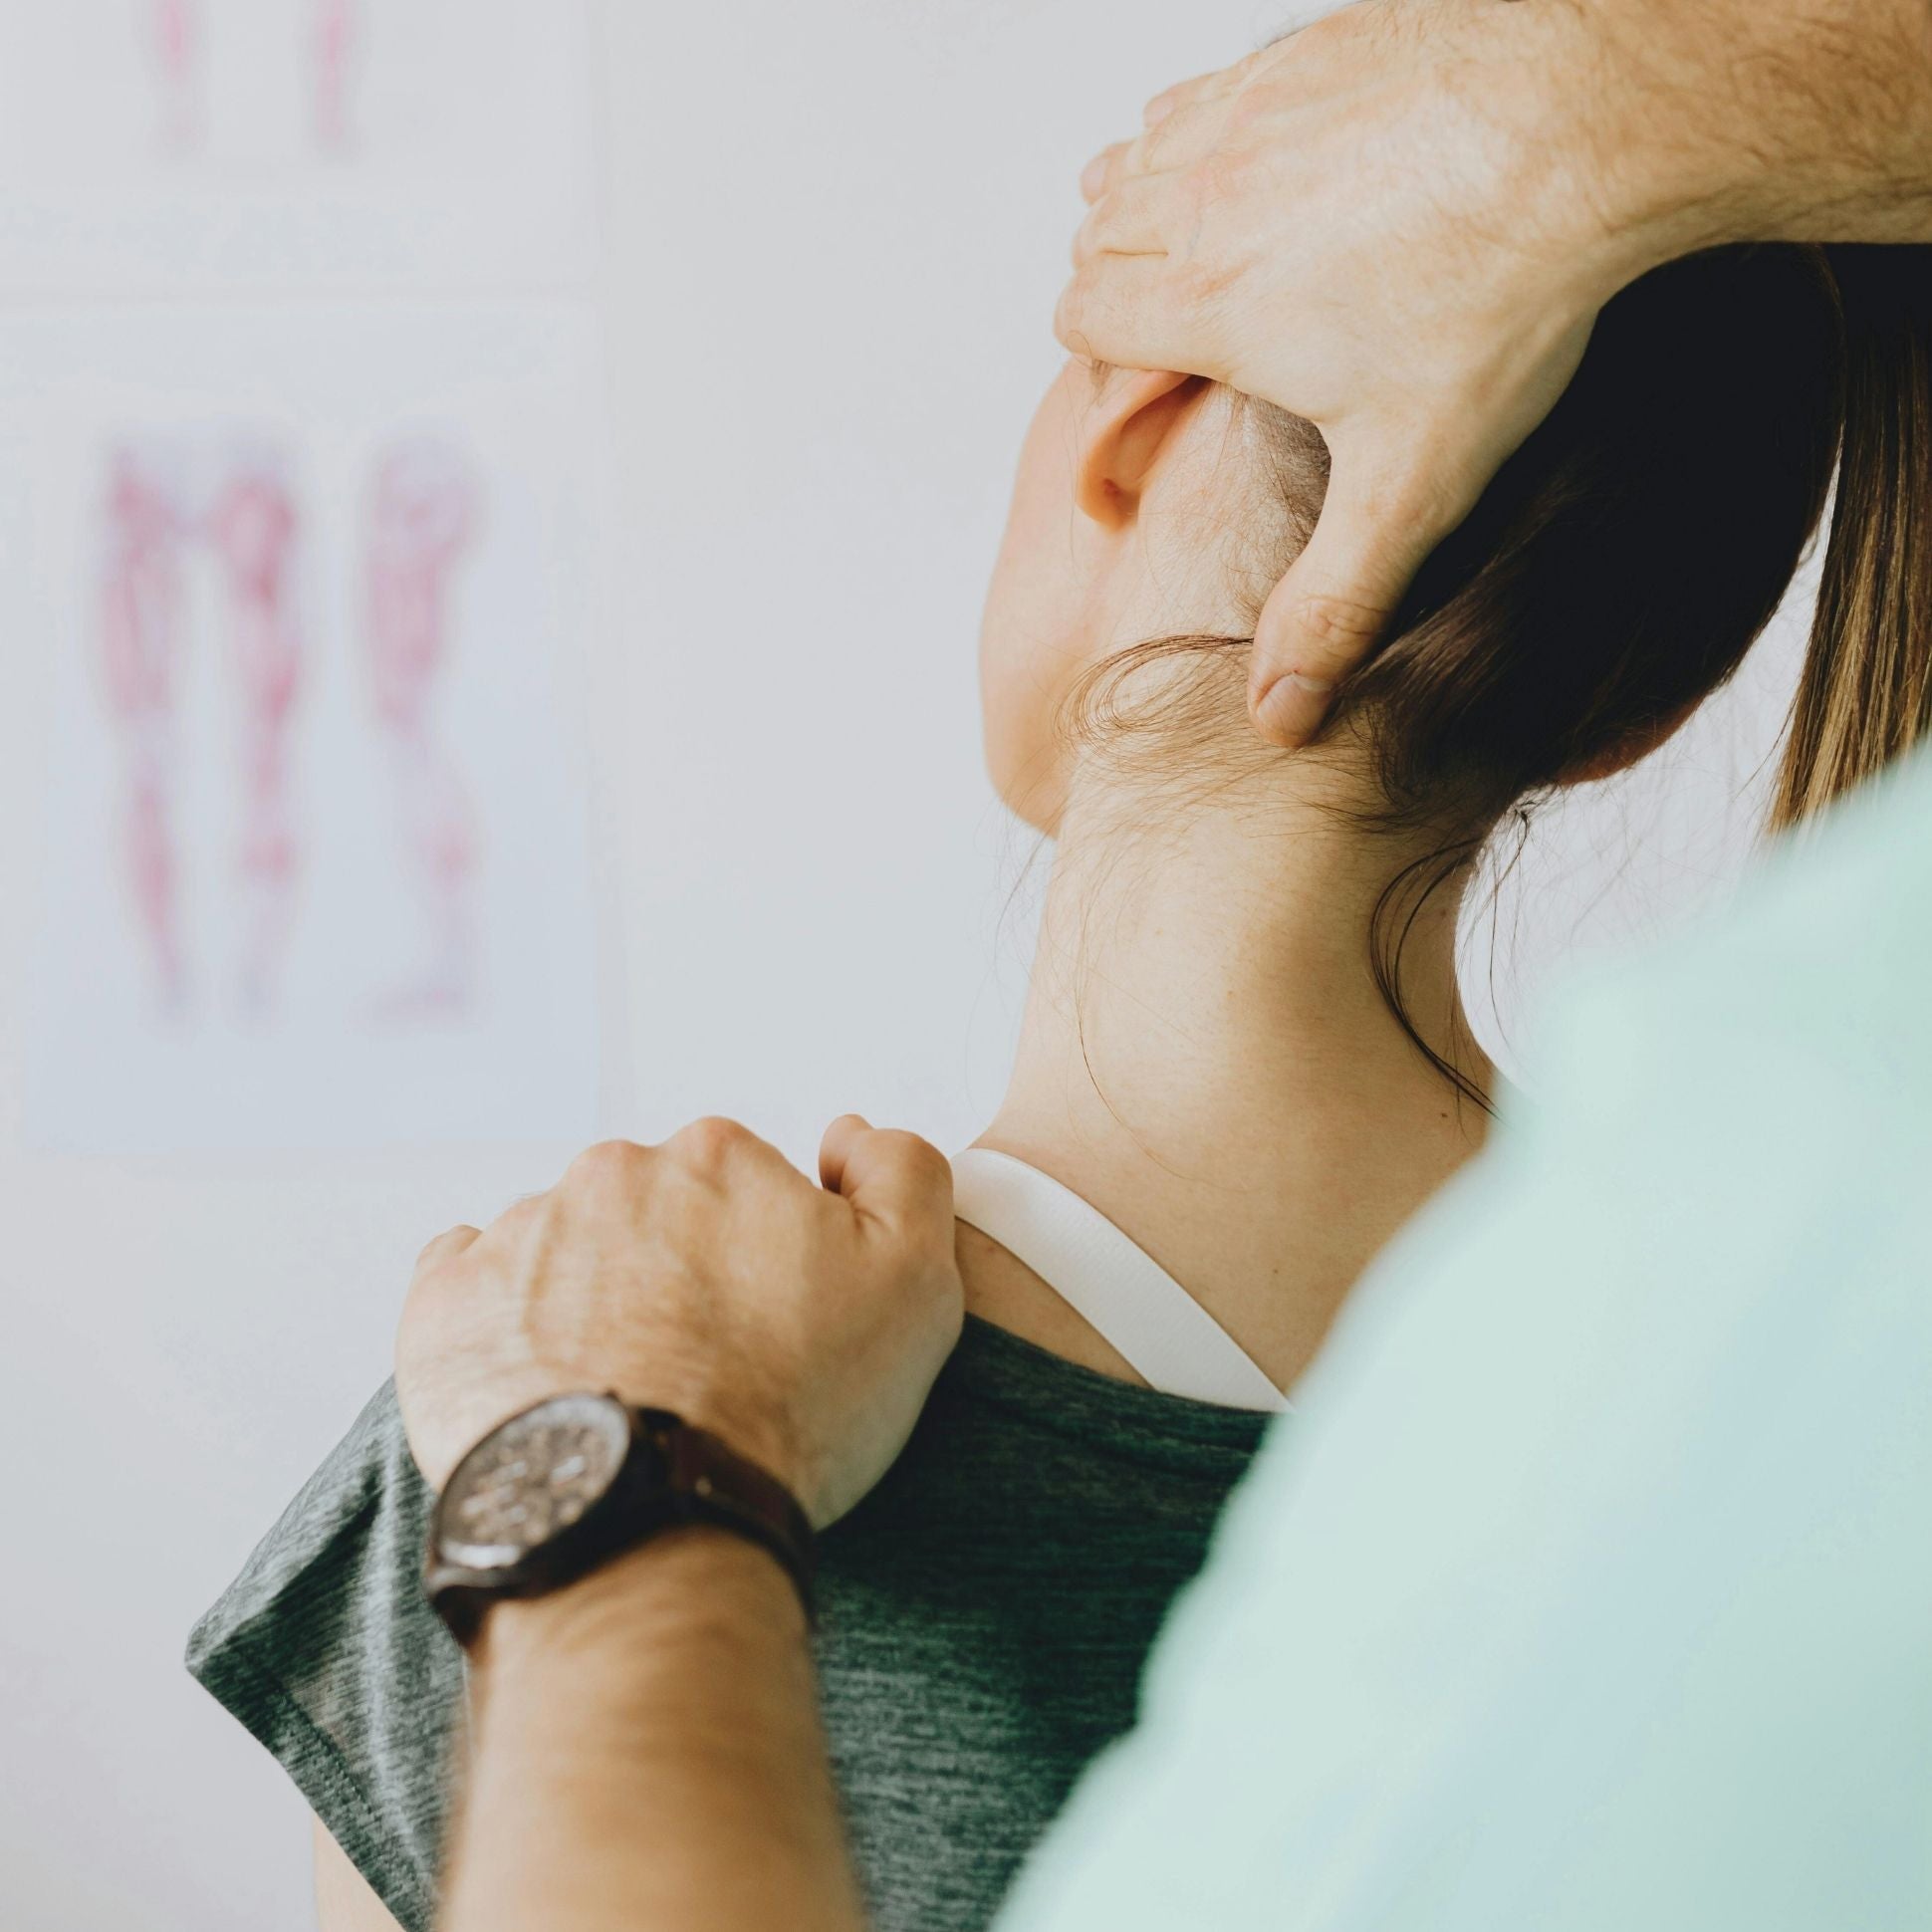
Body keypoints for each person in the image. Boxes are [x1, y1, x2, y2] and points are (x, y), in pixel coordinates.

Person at [189, 2, 1932, 1930]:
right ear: (1635, 700)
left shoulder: (551, 1430)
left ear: (1127, 439)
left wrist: (575, 1477)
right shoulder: (1828, 1372)